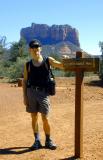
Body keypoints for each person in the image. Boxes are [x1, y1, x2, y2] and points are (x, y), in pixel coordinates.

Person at [22, 39, 64, 150]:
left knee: (45, 117)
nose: (35, 49)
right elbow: (25, 81)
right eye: (33, 47)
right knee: (34, 117)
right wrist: (25, 97)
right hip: (31, 93)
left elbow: (61, 66)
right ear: (30, 50)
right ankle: (37, 141)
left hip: (44, 93)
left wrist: (67, 61)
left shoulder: (48, 60)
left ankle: (48, 140)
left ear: (40, 48)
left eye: (37, 47)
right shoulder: (28, 65)